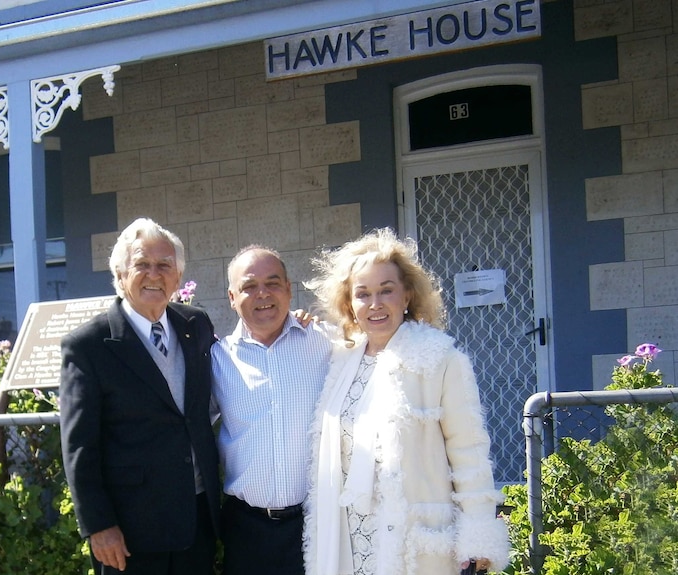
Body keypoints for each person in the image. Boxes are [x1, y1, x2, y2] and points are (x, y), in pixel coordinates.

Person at [302, 228, 510, 575]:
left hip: (411, 543)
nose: (375, 304)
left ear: (407, 295)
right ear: (349, 304)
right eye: (363, 294)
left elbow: (469, 453)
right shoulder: (340, 361)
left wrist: (478, 535)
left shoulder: (440, 359)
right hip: (348, 539)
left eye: (386, 290)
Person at [60, 218, 220, 575]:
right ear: (119, 274)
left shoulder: (196, 325)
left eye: (164, 265)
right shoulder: (89, 345)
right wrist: (99, 525)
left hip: (196, 519)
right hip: (131, 532)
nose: (154, 274)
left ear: (177, 278)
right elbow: (79, 446)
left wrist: (295, 325)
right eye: (142, 265)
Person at [211, 245, 336, 575]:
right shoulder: (216, 360)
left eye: (273, 283)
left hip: (318, 523)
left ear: (289, 289)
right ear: (232, 296)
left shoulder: (327, 342)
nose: (262, 294)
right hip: (247, 531)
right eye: (249, 286)